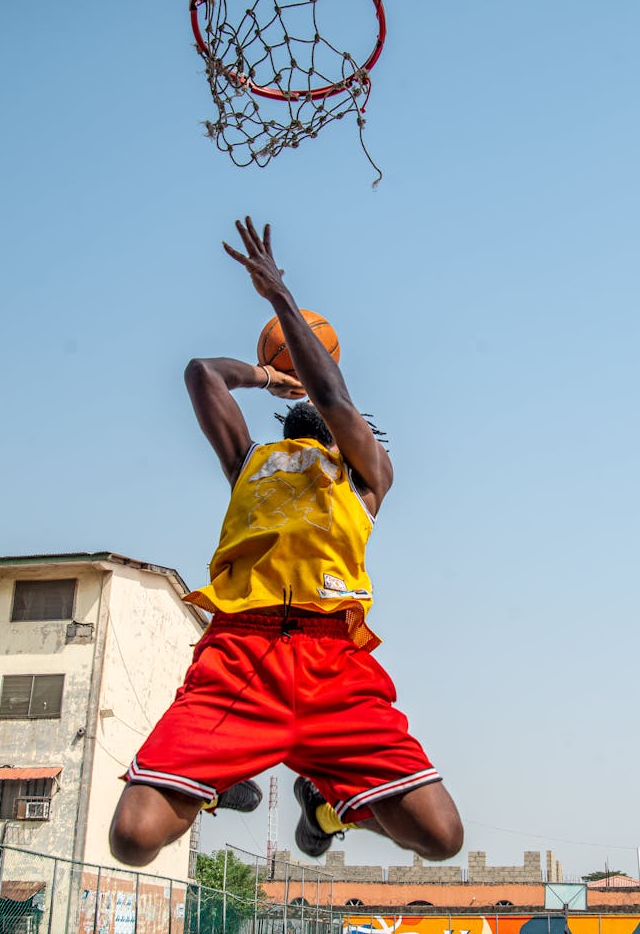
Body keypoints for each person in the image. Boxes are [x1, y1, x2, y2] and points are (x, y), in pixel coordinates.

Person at [109, 216, 463, 867]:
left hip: (334, 660)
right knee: (131, 840)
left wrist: (280, 298)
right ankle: (222, 779)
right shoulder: (251, 463)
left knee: (441, 838)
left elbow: (330, 392)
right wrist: (271, 377)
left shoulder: (364, 474)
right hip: (240, 657)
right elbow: (199, 373)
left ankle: (324, 805)